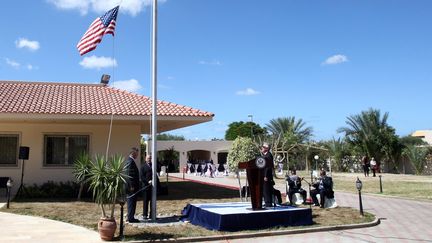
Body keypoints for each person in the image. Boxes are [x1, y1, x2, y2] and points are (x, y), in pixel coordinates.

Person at [125, 147, 140, 223]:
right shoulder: (130, 162)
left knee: (132, 202)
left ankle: (130, 216)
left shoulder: (131, 161)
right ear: (133, 153)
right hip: (131, 188)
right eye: (137, 153)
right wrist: (131, 186)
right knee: (131, 202)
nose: (137, 155)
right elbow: (129, 175)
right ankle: (130, 218)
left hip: (133, 187)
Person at [140, 154, 156, 219]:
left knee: (152, 201)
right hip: (146, 187)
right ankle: (145, 215)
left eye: (150, 158)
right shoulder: (143, 167)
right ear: (145, 159)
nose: (149, 159)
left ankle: (152, 214)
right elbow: (142, 177)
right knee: (146, 201)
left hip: (152, 187)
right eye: (148, 158)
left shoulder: (153, 165)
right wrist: (148, 181)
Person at [261, 142, 275, 207]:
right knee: (264, 189)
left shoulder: (268, 155)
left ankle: (268, 203)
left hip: (267, 176)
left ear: (266, 148)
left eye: (263, 147)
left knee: (267, 189)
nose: (262, 148)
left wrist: (265, 175)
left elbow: (268, 167)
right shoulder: (264, 155)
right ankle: (266, 201)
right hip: (264, 175)